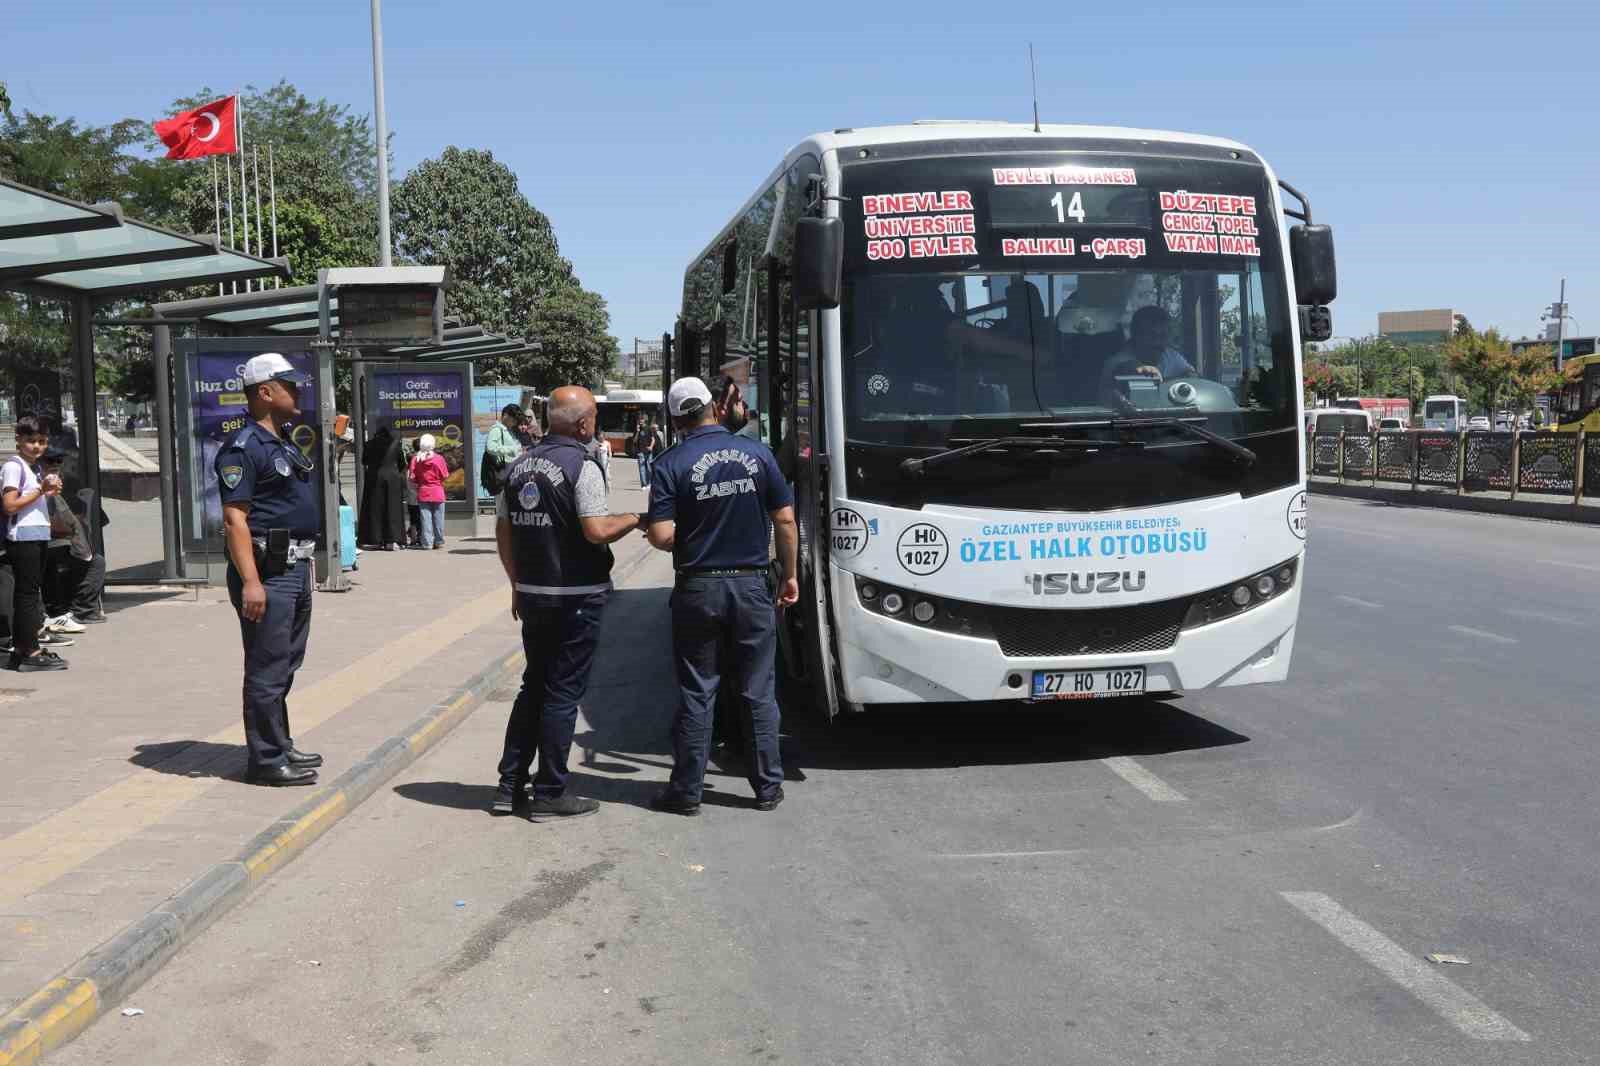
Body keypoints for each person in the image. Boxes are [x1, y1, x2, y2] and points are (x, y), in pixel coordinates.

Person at [645, 377, 799, 816]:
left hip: (699, 587)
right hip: (752, 585)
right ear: (714, 407)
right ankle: (768, 787)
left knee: (698, 691)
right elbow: (785, 521)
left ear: (676, 419)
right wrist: (789, 575)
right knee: (757, 691)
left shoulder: (670, 462)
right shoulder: (757, 454)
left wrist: (687, 534)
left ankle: (687, 793)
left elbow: (661, 535)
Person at [492, 385, 646, 821]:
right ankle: (550, 791)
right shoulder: (583, 464)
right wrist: (635, 519)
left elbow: (503, 531)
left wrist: (516, 583)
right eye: (594, 415)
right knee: (562, 694)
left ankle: (509, 786)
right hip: (576, 597)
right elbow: (596, 530)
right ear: (583, 423)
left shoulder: (519, 466)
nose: (594, 422)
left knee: (534, 687)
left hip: (535, 595)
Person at [214, 353, 323, 786]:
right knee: (266, 667)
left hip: (294, 568)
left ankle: (280, 742)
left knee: (285, 664)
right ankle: (265, 760)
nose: (297, 392)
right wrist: (252, 583)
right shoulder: (244, 447)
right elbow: (234, 520)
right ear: (265, 392)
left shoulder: (282, 440)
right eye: (288, 385)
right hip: (268, 573)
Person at [3, 418, 67, 672]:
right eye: (31, 441)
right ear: (18, 439)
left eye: (41, 441)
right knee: (28, 595)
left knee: (30, 594)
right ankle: (30, 650)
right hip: (23, 537)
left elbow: (29, 500)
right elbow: (9, 505)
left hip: (37, 534)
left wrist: (46, 493)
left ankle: (22, 649)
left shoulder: (34, 468)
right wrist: (40, 491)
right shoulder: (14, 467)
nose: (37, 446)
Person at [40, 448, 103, 630]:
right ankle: (77, 611)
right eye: (50, 461)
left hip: (62, 540)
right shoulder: (40, 484)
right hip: (49, 541)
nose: (55, 465)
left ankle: (79, 610)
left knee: (95, 560)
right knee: (94, 563)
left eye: (59, 461)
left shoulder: (63, 484)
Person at [1107, 305, 1198, 386]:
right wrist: (1139, 369)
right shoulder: (1117, 362)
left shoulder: (1170, 355)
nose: (1157, 342)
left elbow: (1191, 376)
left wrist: (1189, 375)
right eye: (1151, 335)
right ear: (1136, 336)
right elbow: (1125, 369)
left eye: (1163, 336)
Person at [358, 422, 407, 550]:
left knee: (375, 508)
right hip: (392, 479)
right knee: (393, 508)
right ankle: (392, 540)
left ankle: (376, 538)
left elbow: (364, 461)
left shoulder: (369, 444)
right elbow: (402, 463)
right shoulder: (395, 444)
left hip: (374, 478)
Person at [409, 434, 449, 549]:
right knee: (438, 518)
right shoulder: (439, 458)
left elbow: (412, 477)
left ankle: (427, 543)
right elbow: (445, 475)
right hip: (437, 491)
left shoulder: (416, 459)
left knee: (425, 519)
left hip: (423, 492)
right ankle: (439, 541)